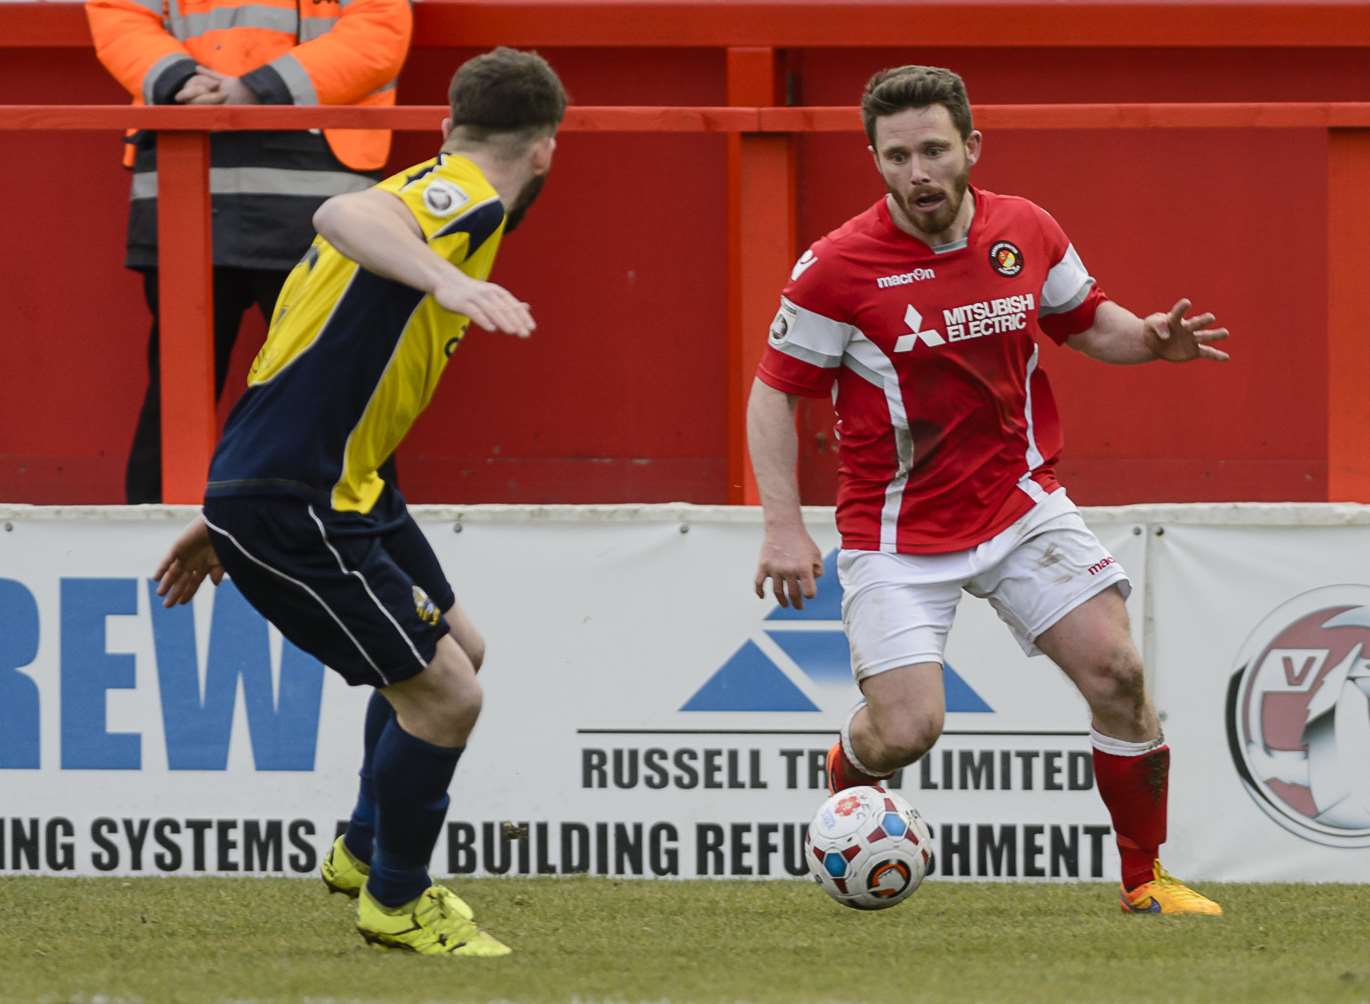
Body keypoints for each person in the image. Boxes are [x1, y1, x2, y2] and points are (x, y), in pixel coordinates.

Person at [748, 65, 1228, 916]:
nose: (918, 172)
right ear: (877, 161)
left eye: (934, 150)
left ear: (970, 147)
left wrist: (1151, 340)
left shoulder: (1025, 229)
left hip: (1018, 502)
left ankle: (1145, 880)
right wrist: (782, 528)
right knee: (907, 731)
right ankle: (848, 789)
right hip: (895, 530)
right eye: (897, 157)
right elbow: (773, 391)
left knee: (1118, 673)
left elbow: (1085, 322)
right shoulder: (836, 268)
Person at [152, 47, 567, 956]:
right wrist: (449, 279)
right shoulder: (464, 194)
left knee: (462, 650)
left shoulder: (430, 176)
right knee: (448, 699)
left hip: (334, 482)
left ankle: (361, 847)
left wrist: (225, 509)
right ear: (545, 150)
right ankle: (396, 900)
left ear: (446, 120)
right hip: (302, 495)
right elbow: (343, 208)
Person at [85, 0, 412, 503]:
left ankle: (368, 541)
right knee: (190, 398)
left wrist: (243, 89)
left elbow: (379, 33)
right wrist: (190, 81)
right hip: (204, 181)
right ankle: (370, 544)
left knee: (332, 385)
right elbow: (117, 13)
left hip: (293, 192)